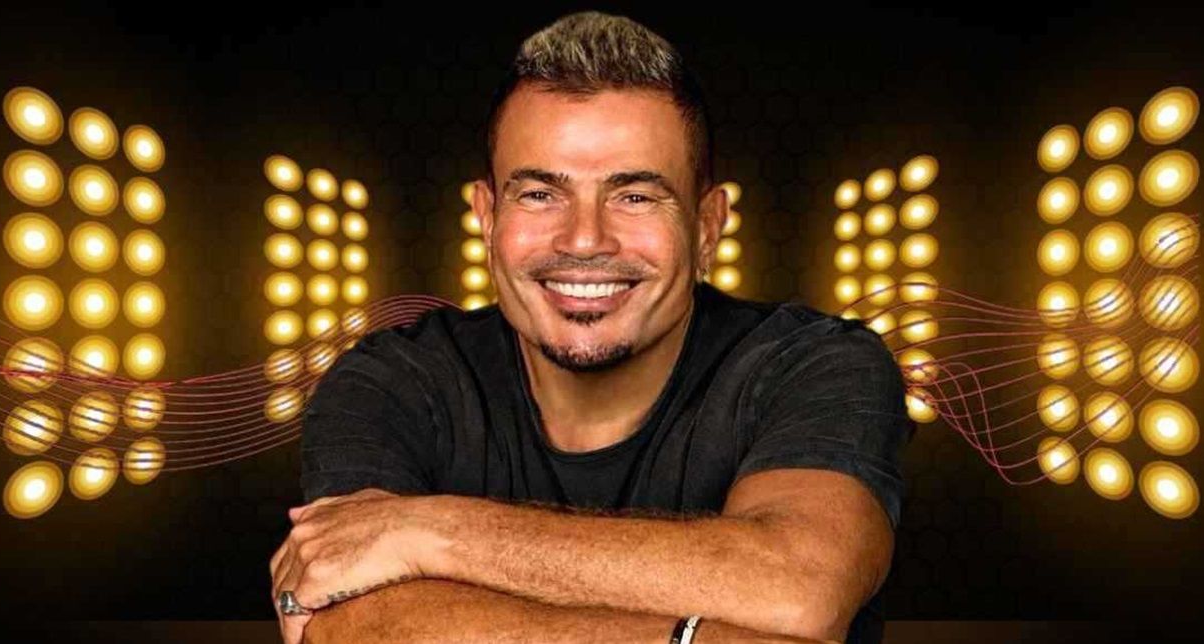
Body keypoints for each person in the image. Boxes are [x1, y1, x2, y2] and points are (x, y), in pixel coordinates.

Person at [270, 11, 913, 644]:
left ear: (707, 227)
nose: (584, 239)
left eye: (635, 196)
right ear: (487, 218)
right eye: (539, 194)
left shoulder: (817, 364)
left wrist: (429, 533)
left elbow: (799, 590)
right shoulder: (393, 379)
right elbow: (354, 622)